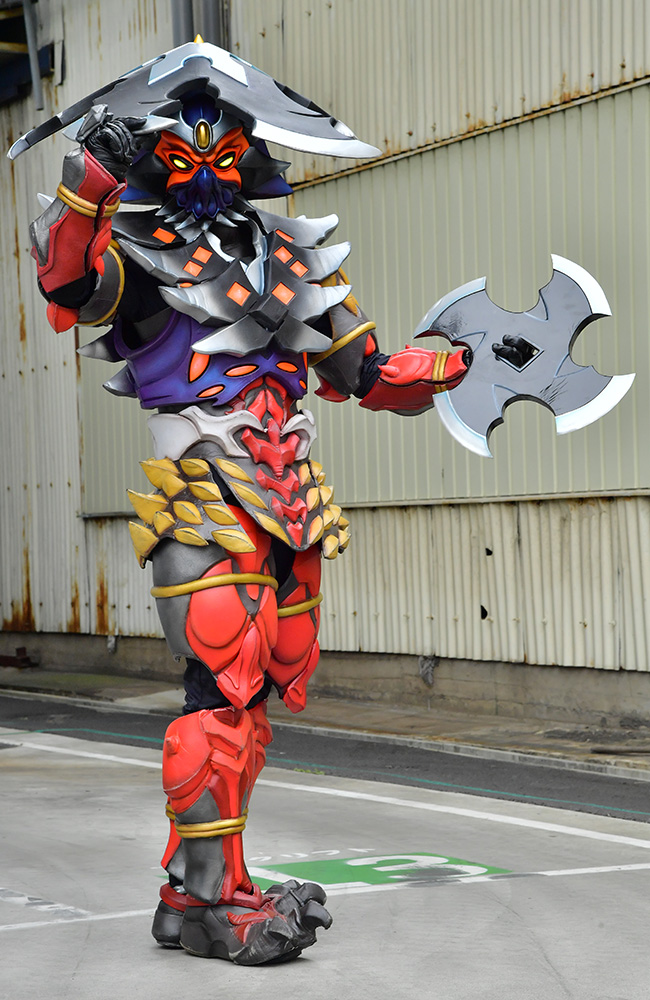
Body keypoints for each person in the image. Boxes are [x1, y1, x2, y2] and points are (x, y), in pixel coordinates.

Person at [25, 38, 468, 964]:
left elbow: (366, 373)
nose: (206, 164)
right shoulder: (138, 251)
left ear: (249, 153)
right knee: (217, 693)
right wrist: (90, 183)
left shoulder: (291, 255)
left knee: (255, 702)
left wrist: (460, 362)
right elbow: (69, 283)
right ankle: (218, 900)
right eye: (183, 148)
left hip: (293, 497)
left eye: (224, 147)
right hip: (202, 490)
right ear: (155, 154)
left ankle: (188, 891)